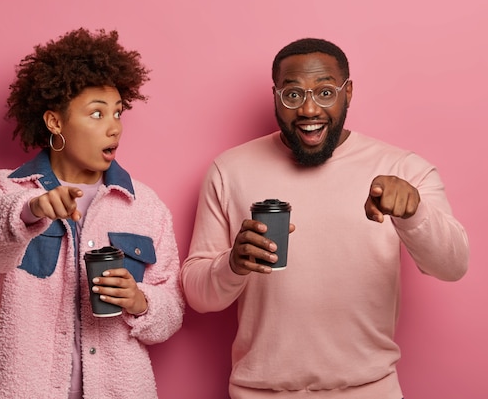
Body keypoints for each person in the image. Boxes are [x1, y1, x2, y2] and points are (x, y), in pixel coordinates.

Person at [180, 38, 469, 399]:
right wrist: (232, 265)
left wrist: (414, 213)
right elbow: (196, 294)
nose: (309, 110)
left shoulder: (402, 168)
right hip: (258, 392)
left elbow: (453, 265)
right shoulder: (229, 170)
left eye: (325, 92)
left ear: (348, 93)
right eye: (293, 95)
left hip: (370, 391)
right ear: (275, 96)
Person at [0, 28, 184, 399]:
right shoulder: (10, 190)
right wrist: (32, 209)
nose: (114, 127)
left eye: (117, 113)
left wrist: (139, 301)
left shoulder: (144, 206)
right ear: (55, 122)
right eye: (96, 114)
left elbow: (172, 311)